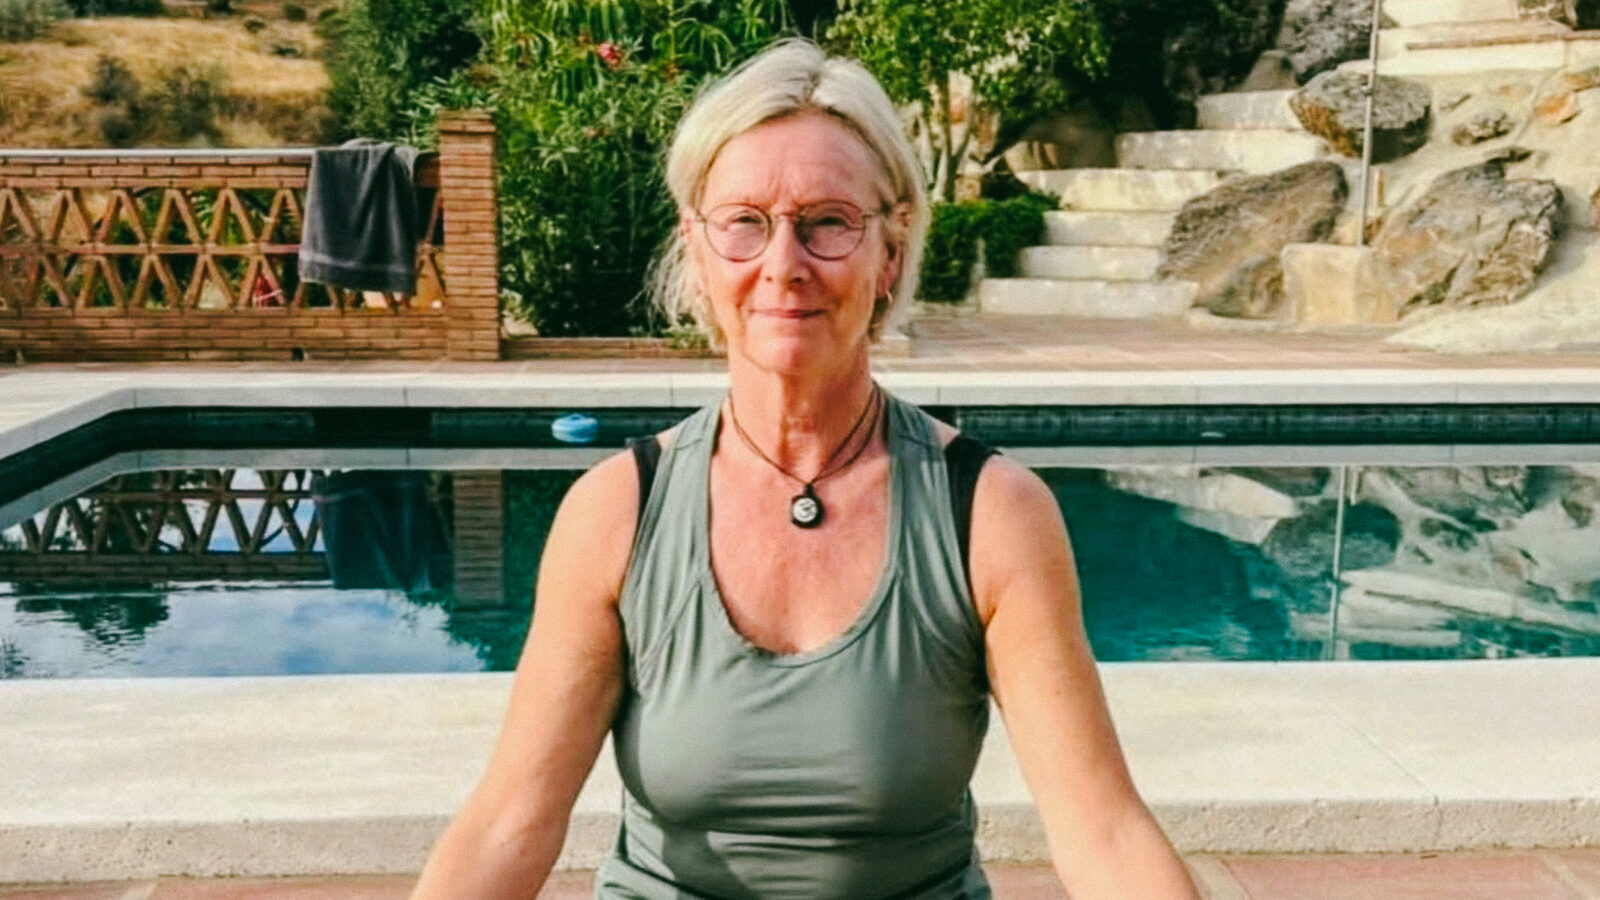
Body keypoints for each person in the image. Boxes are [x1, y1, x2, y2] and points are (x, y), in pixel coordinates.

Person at [409, 38, 1201, 900]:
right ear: (698, 252)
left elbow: (1100, 827)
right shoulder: (616, 512)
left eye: (828, 222)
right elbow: (510, 822)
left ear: (888, 252)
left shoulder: (990, 512)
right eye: (745, 223)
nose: (784, 265)